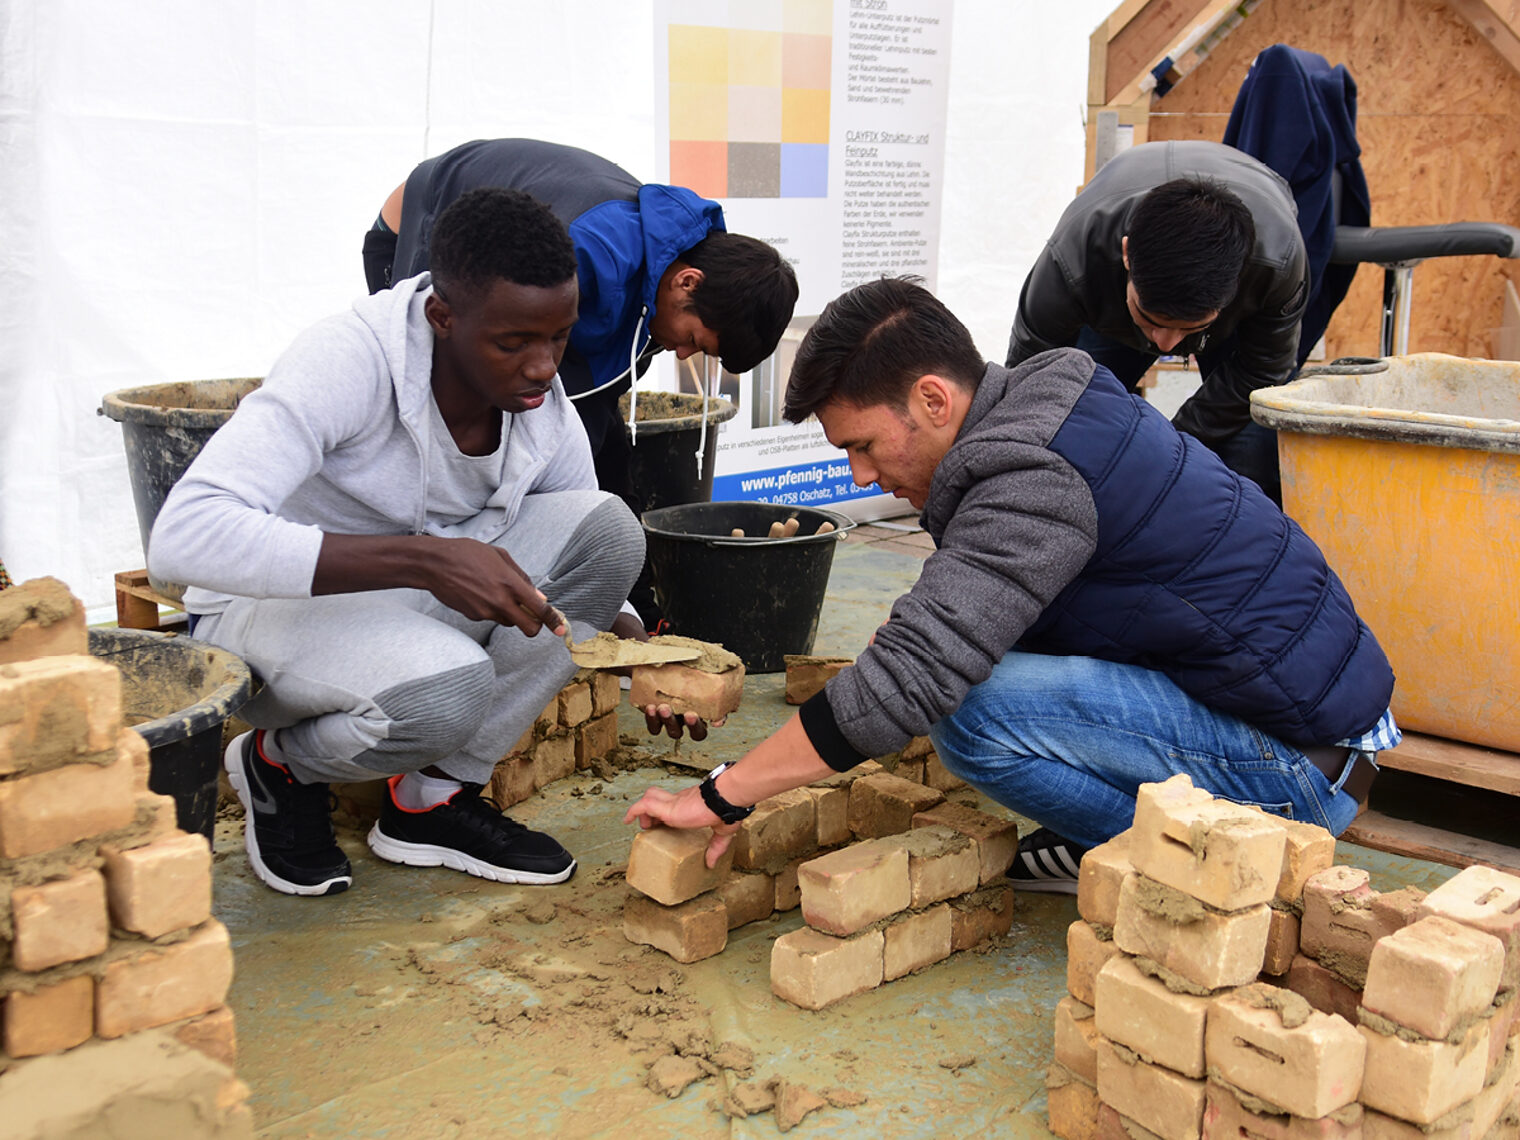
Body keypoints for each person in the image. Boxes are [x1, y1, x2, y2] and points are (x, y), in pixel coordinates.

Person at [626, 277, 1398, 894]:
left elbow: (916, 676)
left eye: (862, 446)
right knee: (949, 664)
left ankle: (1185, 857)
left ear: (934, 398)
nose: (861, 475)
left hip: (1300, 770)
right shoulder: (1055, 403)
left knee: (968, 709)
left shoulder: (1029, 478)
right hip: (1321, 721)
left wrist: (723, 794)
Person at [151, 188, 686, 898]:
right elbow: (181, 537)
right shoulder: (350, 360)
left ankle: (430, 801)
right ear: (443, 316)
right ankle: (282, 765)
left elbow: (584, 566)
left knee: (609, 528)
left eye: (557, 337)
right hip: (265, 611)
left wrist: (641, 657)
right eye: (513, 342)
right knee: (449, 690)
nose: (543, 367)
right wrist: (426, 561)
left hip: (407, 608)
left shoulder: (540, 408)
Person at [364, 138, 799, 508]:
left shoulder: (658, 284)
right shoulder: (587, 254)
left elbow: (588, 405)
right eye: (693, 340)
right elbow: (490, 345)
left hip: (529, 255)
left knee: (587, 442)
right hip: (420, 218)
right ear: (687, 283)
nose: (683, 353)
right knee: (442, 397)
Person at [1006, 140, 1309, 504]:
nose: (1166, 344)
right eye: (1151, 319)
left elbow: (1261, 372)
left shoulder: (1278, 263)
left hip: (1244, 285)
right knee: (1076, 429)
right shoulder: (1073, 262)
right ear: (1126, 255)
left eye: (1189, 328)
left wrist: (1173, 447)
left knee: (1250, 458)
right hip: (1108, 293)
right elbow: (1029, 378)